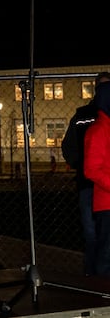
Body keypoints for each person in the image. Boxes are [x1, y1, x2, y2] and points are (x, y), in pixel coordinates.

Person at [62, 71, 110, 276]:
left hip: (101, 185)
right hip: (89, 184)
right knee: (93, 235)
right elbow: (69, 146)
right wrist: (80, 166)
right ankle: (93, 277)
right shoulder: (84, 115)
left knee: (103, 237)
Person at [83, 80, 110, 277]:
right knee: (107, 254)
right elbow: (91, 169)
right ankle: (103, 296)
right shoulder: (99, 130)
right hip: (107, 204)